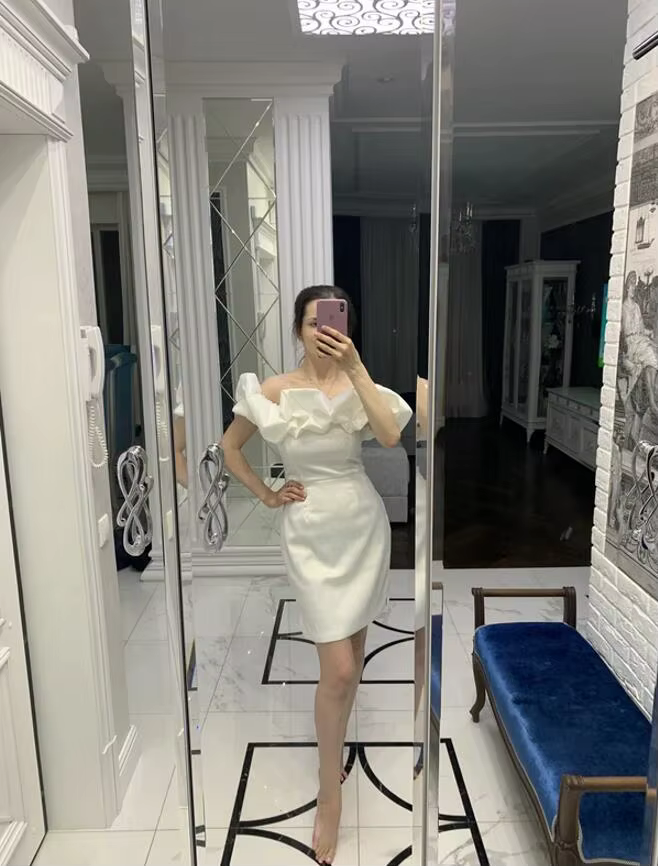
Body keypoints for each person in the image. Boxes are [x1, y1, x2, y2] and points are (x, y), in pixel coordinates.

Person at [221, 285, 412, 864]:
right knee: (340, 669)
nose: (324, 332)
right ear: (298, 330)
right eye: (313, 323)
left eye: (334, 322)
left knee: (350, 662)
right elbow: (231, 448)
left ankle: (335, 749)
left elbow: (390, 435)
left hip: (361, 525)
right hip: (309, 532)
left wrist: (356, 368)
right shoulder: (274, 391)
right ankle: (330, 796)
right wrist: (267, 494)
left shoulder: (359, 384)